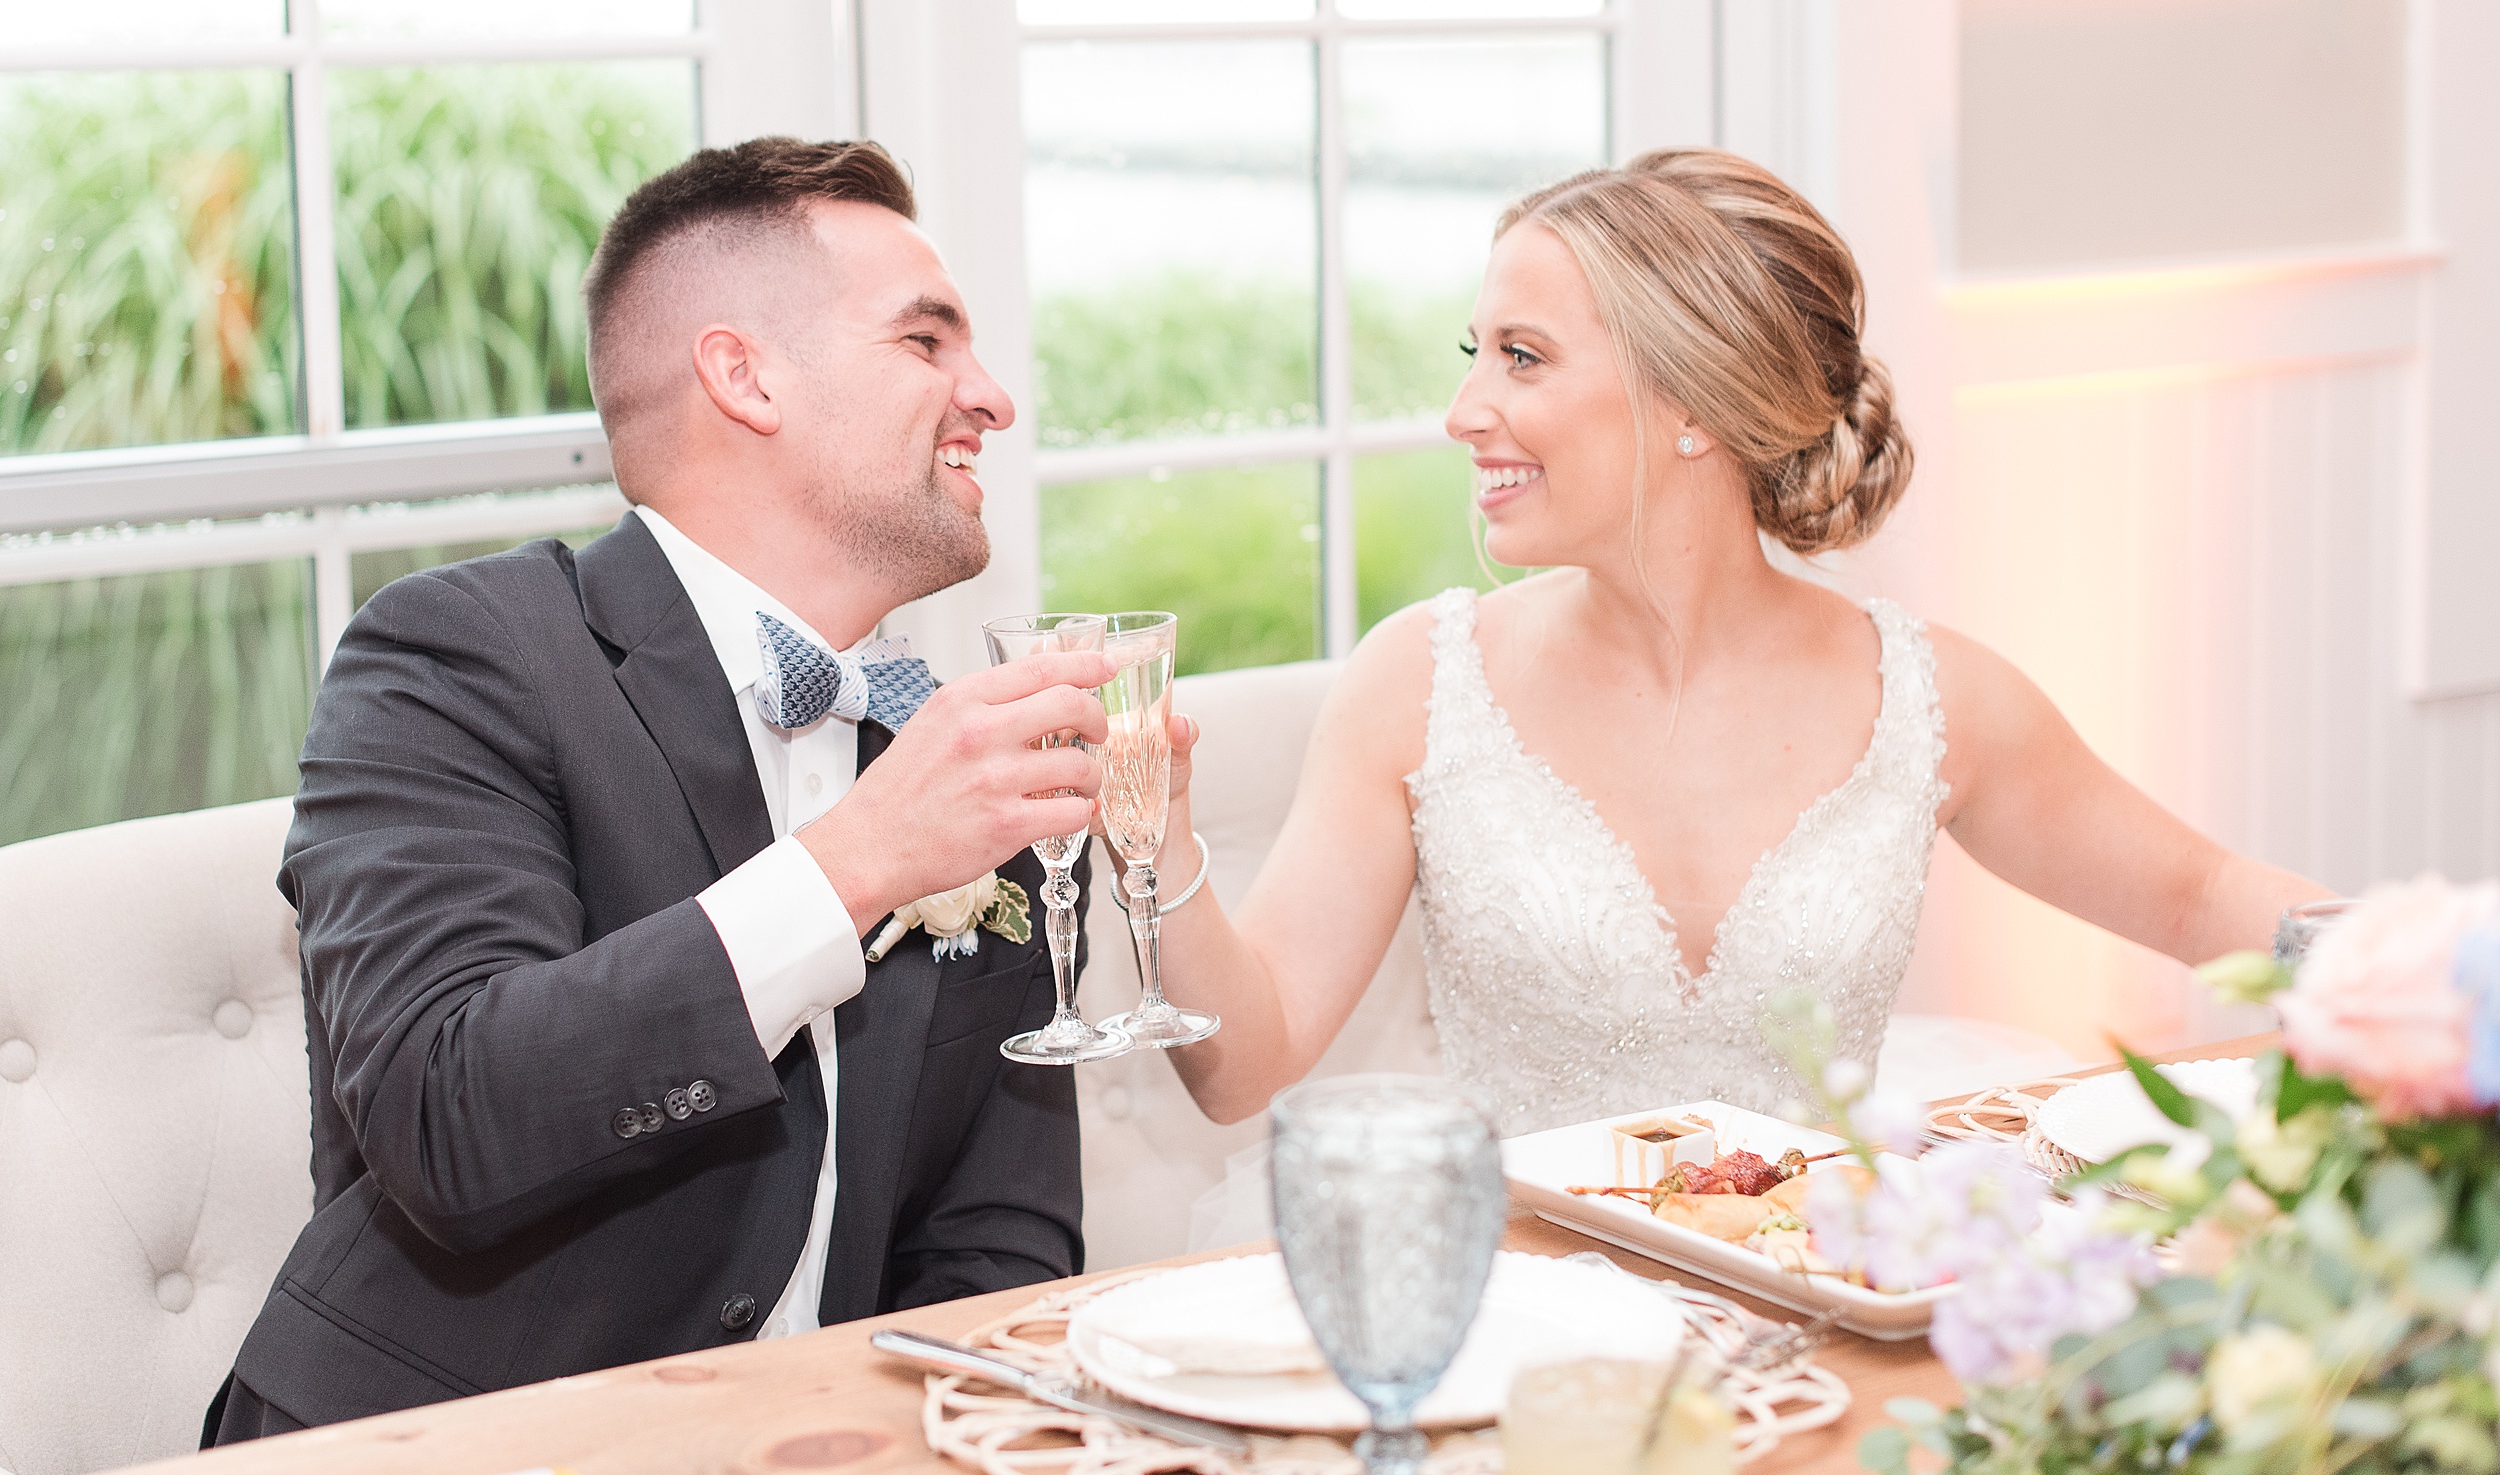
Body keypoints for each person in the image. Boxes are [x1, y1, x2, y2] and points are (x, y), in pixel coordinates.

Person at [206, 138, 1113, 1441]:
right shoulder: (459, 654)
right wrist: (854, 862)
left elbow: (999, 1233)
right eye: (927, 342)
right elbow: (448, 1112)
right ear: (743, 376)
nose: (992, 397)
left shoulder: (944, 739)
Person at [1140, 149, 2331, 1137]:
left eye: (1522, 357)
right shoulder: (1417, 685)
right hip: (1530, 1332)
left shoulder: (1930, 697)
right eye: (1476, 356)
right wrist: (1161, 839)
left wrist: (2438, 976)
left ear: (1693, 404)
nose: (1463, 413)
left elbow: (2203, 895)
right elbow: (1244, 1065)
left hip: (1826, 1320)